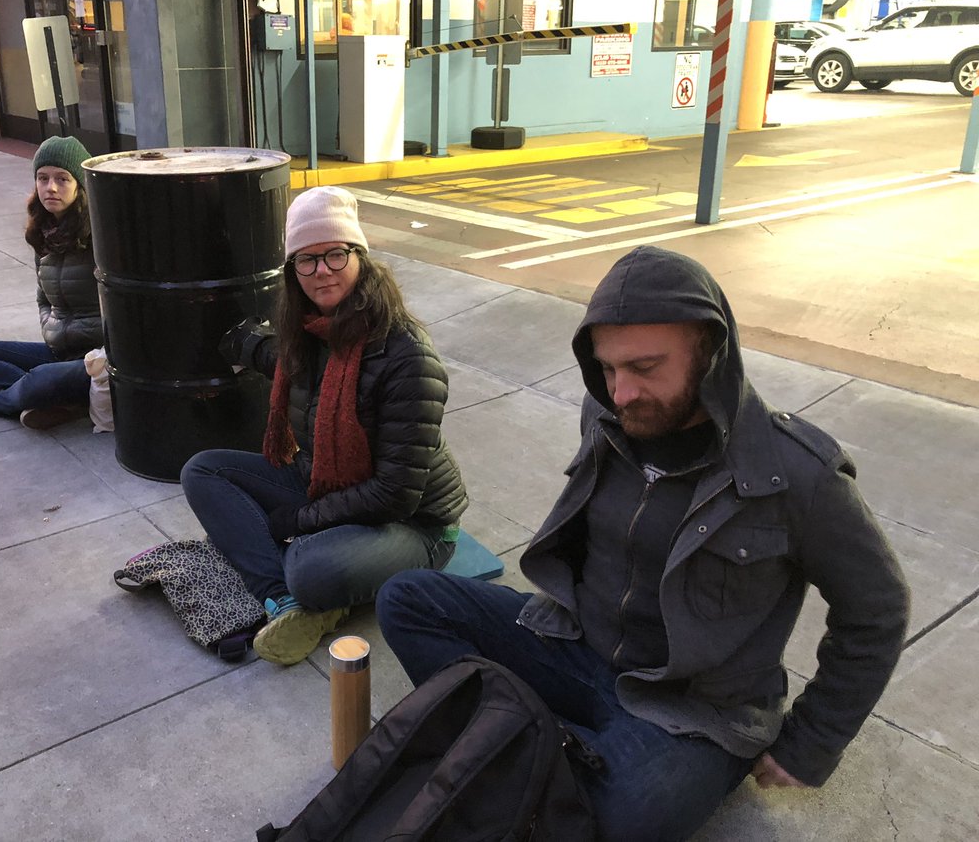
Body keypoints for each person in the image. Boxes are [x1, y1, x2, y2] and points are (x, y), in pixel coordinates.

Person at [377, 246, 910, 841]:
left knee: (628, 817)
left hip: (691, 711)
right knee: (406, 601)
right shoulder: (606, 416)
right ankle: (547, 744)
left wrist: (812, 741)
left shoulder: (797, 472)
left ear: (711, 351)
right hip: (577, 647)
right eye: (608, 369)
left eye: (645, 368)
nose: (621, 392)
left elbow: (878, 609)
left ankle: (521, 738)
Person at [181, 186, 468, 666]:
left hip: (414, 524)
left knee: (310, 567)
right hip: (323, 480)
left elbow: (396, 495)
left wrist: (295, 522)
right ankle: (285, 602)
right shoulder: (310, 331)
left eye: (335, 254)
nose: (322, 271)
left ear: (360, 256)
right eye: (306, 260)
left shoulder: (407, 357)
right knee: (203, 472)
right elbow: (281, 363)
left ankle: (303, 590)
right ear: (292, 270)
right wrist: (240, 343)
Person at [0, 136, 101, 431]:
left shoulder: (100, 236)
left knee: (41, 379)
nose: (50, 187)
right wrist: (51, 327)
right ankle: (57, 399)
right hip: (58, 349)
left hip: (95, 357)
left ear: (80, 186)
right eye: (43, 178)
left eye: (62, 178)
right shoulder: (44, 234)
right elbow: (43, 298)